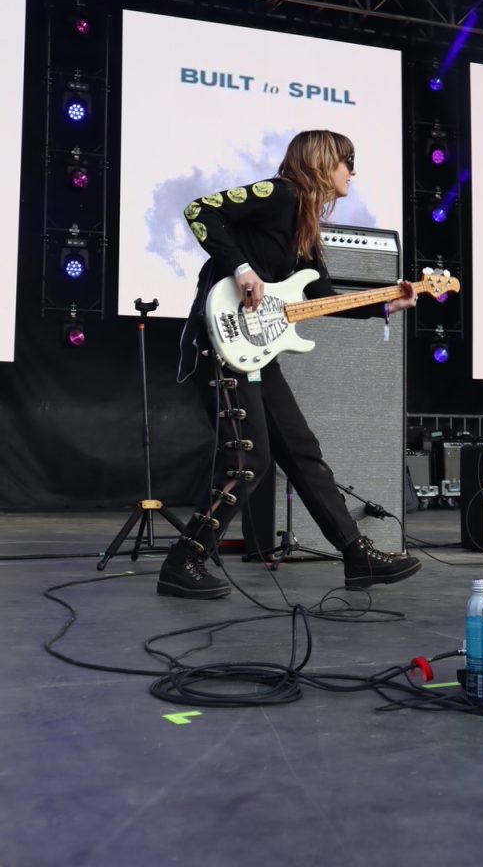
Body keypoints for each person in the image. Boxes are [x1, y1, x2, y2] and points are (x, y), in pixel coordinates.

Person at [157, 130, 421, 599]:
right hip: (218, 343)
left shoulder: (305, 229)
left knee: (301, 450)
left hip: (256, 352)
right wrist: (241, 268)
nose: (352, 172)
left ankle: (356, 556)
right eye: (347, 161)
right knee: (248, 459)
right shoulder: (280, 194)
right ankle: (185, 560)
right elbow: (200, 209)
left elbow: (321, 300)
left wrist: (386, 304)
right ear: (323, 161)